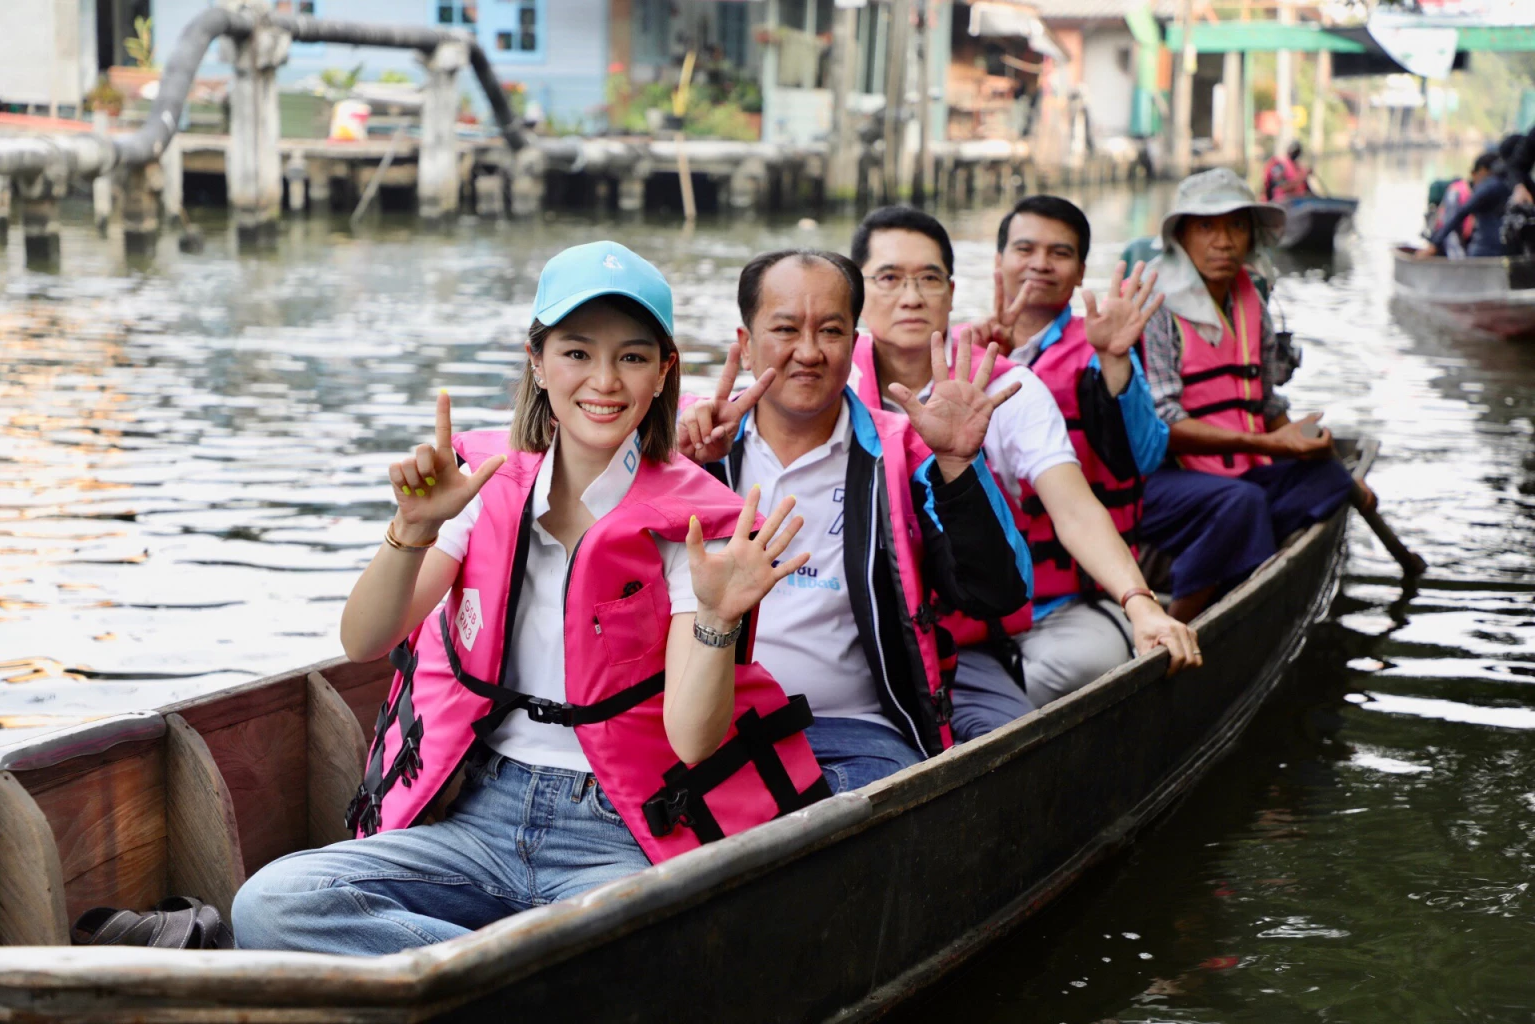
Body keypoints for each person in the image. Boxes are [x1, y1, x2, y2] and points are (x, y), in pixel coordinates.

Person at [233, 242, 828, 955]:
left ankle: (486, 969)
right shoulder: (482, 489)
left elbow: (693, 740)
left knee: (665, 950)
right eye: (577, 353)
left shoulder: (692, 524)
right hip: (478, 813)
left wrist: (716, 616)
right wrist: (412, 528)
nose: (604, 381)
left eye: (633, 357)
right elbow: (363, 639)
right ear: (538, 362)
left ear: (664, 371)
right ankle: (526, 967)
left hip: (617, 829)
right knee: (271, 903)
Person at [677, 248, 1031, 786]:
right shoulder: (698, 448)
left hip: (860, 735)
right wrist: (678, 464)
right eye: (786, 329)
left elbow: (995, 594)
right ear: (745, 345)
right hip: (712, 731)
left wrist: (959, 465)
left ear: (856, 342)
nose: (809, 352)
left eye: (832, 331)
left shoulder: (904, 454)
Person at [846, 205, 1199, 731]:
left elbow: (1075, 508)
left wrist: (1140, 602)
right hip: (858, 630)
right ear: (857, 291)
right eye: (890, 279)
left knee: (1065, 679)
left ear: (951, 289)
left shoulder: (1005, 389)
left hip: (976, 632)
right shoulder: (831, 384)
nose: (912, 296)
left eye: (929, 279)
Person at [1140, 168, 1366, 623]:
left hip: (1241, 469)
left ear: (1251, 236)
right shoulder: (1156, 308)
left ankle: (1238, 557)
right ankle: (1176, 625)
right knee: (1242, 504)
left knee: (1329, 475)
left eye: (1236, 226)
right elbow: (1165, 426)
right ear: (1182, 235)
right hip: (1162, 481)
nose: (1223, 241)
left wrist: (1320, 456)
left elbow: (1264, 405)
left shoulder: (1251, 302)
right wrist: (1270, 445)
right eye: (1206, 227)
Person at [1418, 152, 1510, 260]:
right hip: (1486, 250)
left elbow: (1460, 215)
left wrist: (1435, 244)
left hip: (1485, 251)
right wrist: (1435, 244)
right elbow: (1456, 218)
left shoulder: (1490, 186)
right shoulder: (1459, 191)